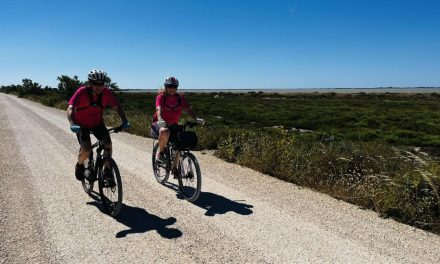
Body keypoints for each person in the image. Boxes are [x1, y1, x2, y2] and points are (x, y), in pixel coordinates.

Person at [67, 69, 130, 181]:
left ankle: (107, 170)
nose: (99, 86)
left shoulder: (106, 93)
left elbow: (117, 107)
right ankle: (79, 165)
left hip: (97, 123)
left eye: (101, 83)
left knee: (108, 145)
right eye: (95, 83)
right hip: (81, 125)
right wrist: (72, 123)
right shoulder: (82, 92)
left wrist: (125, 121)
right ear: (90, 83)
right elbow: (71, 108)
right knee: (86, 150)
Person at [151, 76, 204, 162]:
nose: (172, 89)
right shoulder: (161, 97)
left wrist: (196, 118)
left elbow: (188, 109)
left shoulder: (180, 98)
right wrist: (160, 119)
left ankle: (175, 169)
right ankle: (160, 153)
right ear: (165, 87)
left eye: (174, 87)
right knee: (165, 131)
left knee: (179, 143)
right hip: (158, 124)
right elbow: (158, 108)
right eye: (169, 87)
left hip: (173, 125)